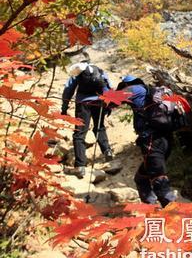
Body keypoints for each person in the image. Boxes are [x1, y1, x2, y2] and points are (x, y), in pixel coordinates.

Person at [116, 75, 176, 207]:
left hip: (151, 141)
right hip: (165, 139)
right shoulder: (148, 93)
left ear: (127, 84)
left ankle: (174, 214)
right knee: (141, 177)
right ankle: (151, 207)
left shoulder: (134, 89)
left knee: (158, 179)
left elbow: (113, 98)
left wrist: (92, 100)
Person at [61, 61, 113, 178]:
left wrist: (64, 108)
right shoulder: (99, 71)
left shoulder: (77, 73)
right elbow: (108, 86)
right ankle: (107, 151)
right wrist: (109, 106)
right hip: (99, 102)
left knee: (79, 134)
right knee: (99, 127)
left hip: (83, 104)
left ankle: (80, 166)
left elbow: (68, 90)